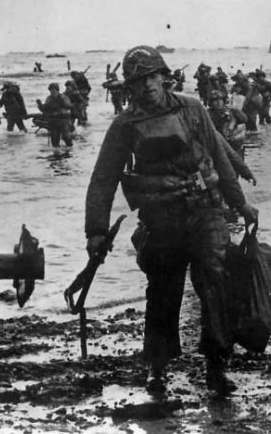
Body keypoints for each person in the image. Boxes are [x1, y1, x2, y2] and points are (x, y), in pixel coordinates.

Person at [84, 45, 258, 396]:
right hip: (160, 219)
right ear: (129, 87)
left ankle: (216, 365)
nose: (147, 85)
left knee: (214, 281)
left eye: (152, 76)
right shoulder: (125, 125)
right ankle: (158, 367)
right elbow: (104, 178)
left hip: (204, 211)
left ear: (163, 77)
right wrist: (96, 231)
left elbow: (221, 159)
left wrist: (241, 204)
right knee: (163, 291)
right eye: (138, 80)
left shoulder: (192, 108)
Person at [207, 89, 248, 158]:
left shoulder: (231, 111)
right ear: (211, 103)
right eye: (215, 101)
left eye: (220, 100)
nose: (218, 102)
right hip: (218, 145)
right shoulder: (208, 114)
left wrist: (236, 110)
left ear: (223, 101)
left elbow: (244, 119)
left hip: (233, 144)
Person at [36, 83, 73, 147]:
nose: (52, 92)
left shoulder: (63, 97)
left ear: (57, 90)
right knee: (54, 139)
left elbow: (69, 106)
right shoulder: (49, 98)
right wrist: (40, 105)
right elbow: (45, 109)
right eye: (51, 90)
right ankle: (57, 154)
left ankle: (70, 149)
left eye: (54, 90)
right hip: (53, 120)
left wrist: (62, 103)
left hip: (63, 120)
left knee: (66, 137)